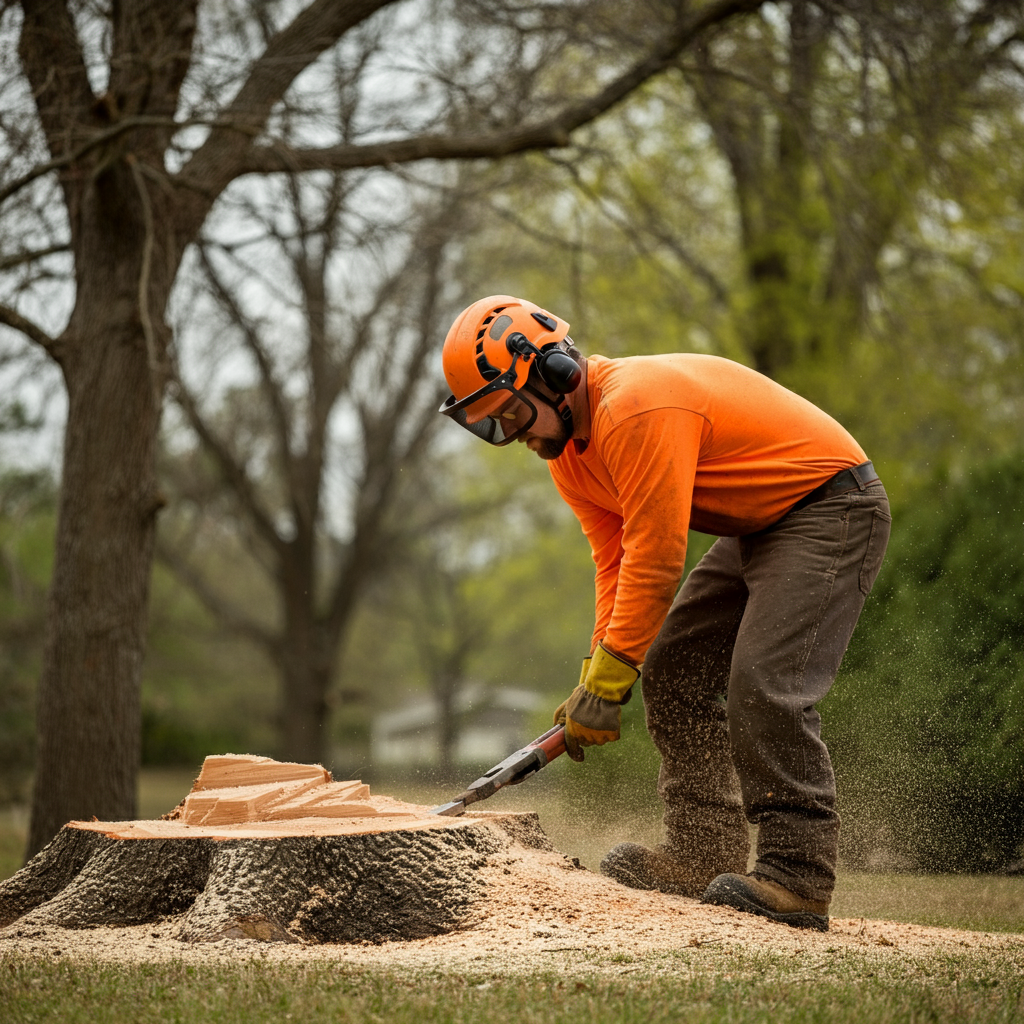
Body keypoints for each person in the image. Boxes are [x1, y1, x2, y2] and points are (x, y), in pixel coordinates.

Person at [438, 295, 891, 932]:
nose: (515, 436)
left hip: (830, 507)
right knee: (676, 666)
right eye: (494, 426)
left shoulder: (636, 407)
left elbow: (656, 557)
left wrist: (610, 678)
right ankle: (702, 852)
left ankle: (797, 874)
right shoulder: (569, 456)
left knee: (764, 684)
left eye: (511, 413)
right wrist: (597, 678)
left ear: (556, 372)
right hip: (758, 524)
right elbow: (615, 563)